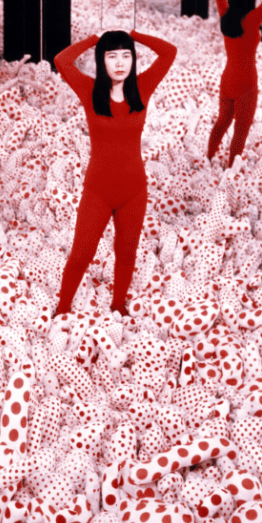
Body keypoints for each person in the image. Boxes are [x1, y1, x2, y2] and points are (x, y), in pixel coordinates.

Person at [54, 29, 177, 316]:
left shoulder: (143, 87)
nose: (120, 62)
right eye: (112, 56)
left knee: (126, 253)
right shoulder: (89, 90)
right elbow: (62, 61)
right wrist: (93, 40)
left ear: (133, 59)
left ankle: (118, 305)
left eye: (126, 55)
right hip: (97, 190)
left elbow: (169, 51)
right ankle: (62, 309)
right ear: (102, 60)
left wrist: (135, 35)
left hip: (134, 190)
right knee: (81, 255)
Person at [207, 0, 262, 167]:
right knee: (241, 130)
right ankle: (230, 171)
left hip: (227, 79)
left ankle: (208, 157)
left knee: (221, 123)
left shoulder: (225, 17)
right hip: (246, 83)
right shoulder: (252, 19)